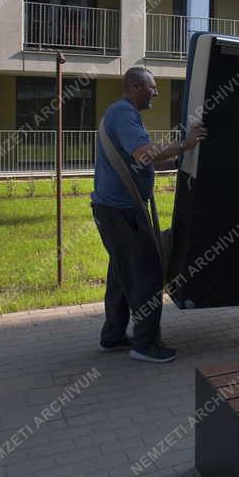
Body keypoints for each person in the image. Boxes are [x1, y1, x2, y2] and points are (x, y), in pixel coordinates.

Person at [91, 67, 206, 363]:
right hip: (122, 212)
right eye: (152, 87)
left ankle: (113, 335)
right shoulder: (124, 114)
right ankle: (145, 345)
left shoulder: (122, 114)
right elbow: (144, 154)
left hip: (115, 210)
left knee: (121, 272)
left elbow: (143, 162)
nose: (156, 92)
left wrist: (182, 159)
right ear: (134, 87)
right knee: (147, 273)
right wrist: (186, 143)